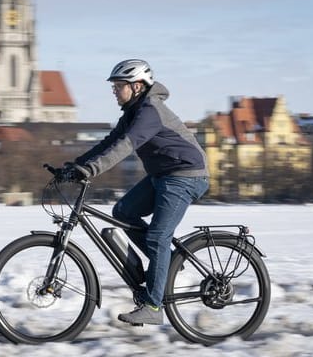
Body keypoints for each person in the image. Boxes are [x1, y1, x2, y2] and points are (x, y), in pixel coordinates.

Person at [65, 59, 209, 325]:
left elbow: (125, 147)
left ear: (138, 86)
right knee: (123, 212)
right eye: (114, 86)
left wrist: (91, 170)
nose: (114, 91)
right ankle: (164, 263)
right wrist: (75, 165)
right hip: (163, 176)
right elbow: (110, 142)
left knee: (156, 237)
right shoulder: (132, 112)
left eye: (119, 86)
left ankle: (154, 308)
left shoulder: (150, 111)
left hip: (186, 175)